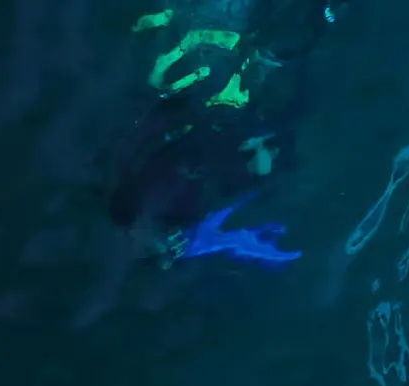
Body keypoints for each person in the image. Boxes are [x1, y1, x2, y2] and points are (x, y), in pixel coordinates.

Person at [108, 2, 342, 266]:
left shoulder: (143, 195)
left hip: (210, 124)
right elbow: (240, 180)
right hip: (224, 129)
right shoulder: (178, 213)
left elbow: (155, 127)